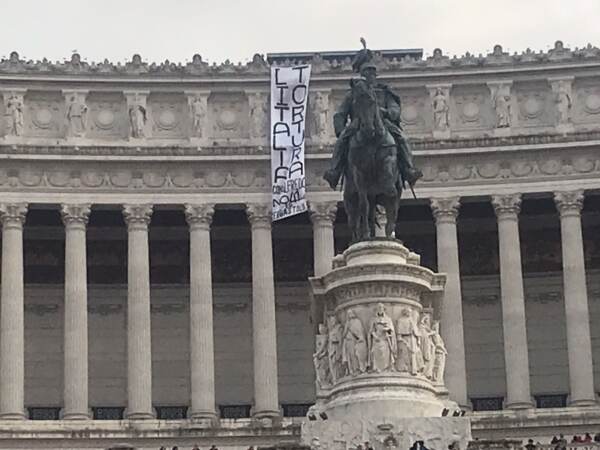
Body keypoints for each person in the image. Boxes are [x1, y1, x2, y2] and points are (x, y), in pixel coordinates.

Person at [323, 41, 422, 191]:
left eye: (372, 73)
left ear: (375, 75)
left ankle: (409, 170)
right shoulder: (354, 93)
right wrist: (340, 130)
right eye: (366, 73)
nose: (370, 76)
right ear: (362, 74)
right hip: (357, 125)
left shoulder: (384, 91)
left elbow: (395, 110)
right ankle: (334, 172)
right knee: (342, 142)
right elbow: (340, 114)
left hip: (383, 123)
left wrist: (385, 112)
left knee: (402, 139)